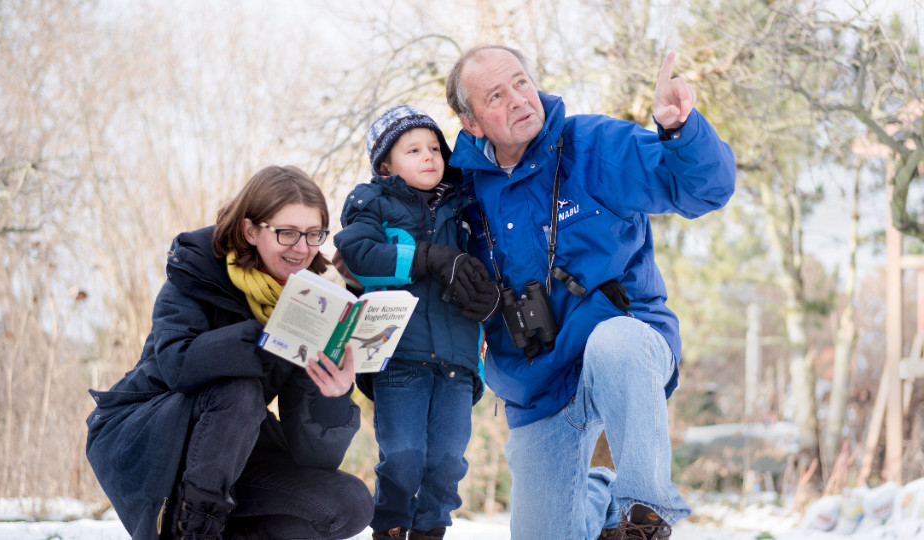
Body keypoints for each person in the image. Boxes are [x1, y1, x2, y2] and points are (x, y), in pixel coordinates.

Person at [444, 45, 737, 540]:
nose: (518, 99)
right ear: (472, 123)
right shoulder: (460, 193)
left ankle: (644, 513)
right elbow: (417, 249)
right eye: (496, 95)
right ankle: (597, 493)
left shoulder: (596, 146)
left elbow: (705, 189)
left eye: (521, 82)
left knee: (615, 340)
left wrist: (680, 130)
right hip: (536, 382)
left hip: (625, 345)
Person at [85, 165, 374, 540]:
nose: (302, 248)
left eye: (313, 234)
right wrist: (268, 334)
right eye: (287, 233)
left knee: (349, 504)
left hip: (228, 454)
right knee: (238, 391)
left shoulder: (310, 302)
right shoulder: (197, 271)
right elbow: (177, 366)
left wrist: (334, 397)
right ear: (251, 230)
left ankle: (215, 528)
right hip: (149, 439)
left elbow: (312, 456)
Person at [333, 105, 500, 540]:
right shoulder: (372, 203)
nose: (429, 156)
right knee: (404, 456)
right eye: (413, 150)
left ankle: (430, 530)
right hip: (398, 357)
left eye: (434, 148)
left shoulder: (466, 204)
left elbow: (493, 261)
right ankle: (389, 524)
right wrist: (425, 257)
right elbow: (359, 254)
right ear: (386, 164)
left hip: (458, 359)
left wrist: (488, 296)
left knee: (447, 460)